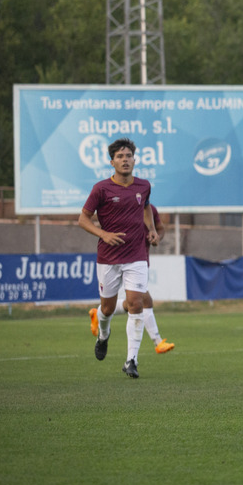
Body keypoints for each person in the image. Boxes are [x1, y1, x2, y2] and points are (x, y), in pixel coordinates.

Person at [78, 137, 159, 379]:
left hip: (136, 255)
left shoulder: (143, 186)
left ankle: (131, 360)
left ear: (135, 159)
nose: (125, 160)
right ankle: (103, 335)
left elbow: (146, 207)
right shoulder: (101, 188)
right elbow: (83, 219)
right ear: (111, 161)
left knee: (136, 303)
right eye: (120, 157)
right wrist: (104, 234)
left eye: (129, 156)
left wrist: (151, 229)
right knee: (107, 308)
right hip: (108, 257)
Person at [88, 203, 175, 355]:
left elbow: (160, 229)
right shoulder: (120, 206)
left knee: (135, 303)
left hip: (140, 261)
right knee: (144, 300)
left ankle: (99, 313)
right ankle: (157, 342)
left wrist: (156, 237)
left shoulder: (150, 209)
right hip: (116, 261)